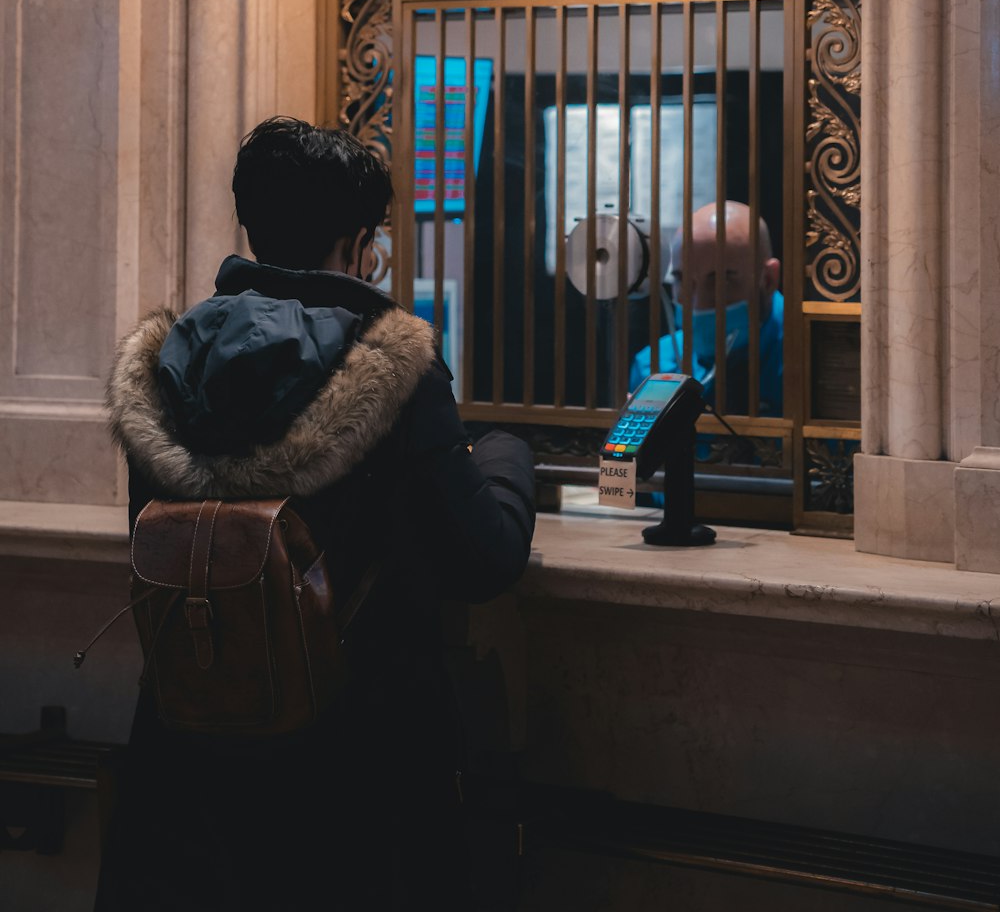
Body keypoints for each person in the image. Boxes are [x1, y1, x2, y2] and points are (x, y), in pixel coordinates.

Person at [95, 117, 535, 912]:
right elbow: (484, 559)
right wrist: (506, 458)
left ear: (254, 228)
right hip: (357, 768)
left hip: (190, 762)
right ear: (361, 243)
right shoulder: (395, 365)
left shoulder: (169, 363)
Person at [630, 200, 783, 416]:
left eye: (721, 281)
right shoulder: (655, 368)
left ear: (767, 279)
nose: (698, 304)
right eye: (682, 280)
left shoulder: (814, 356)